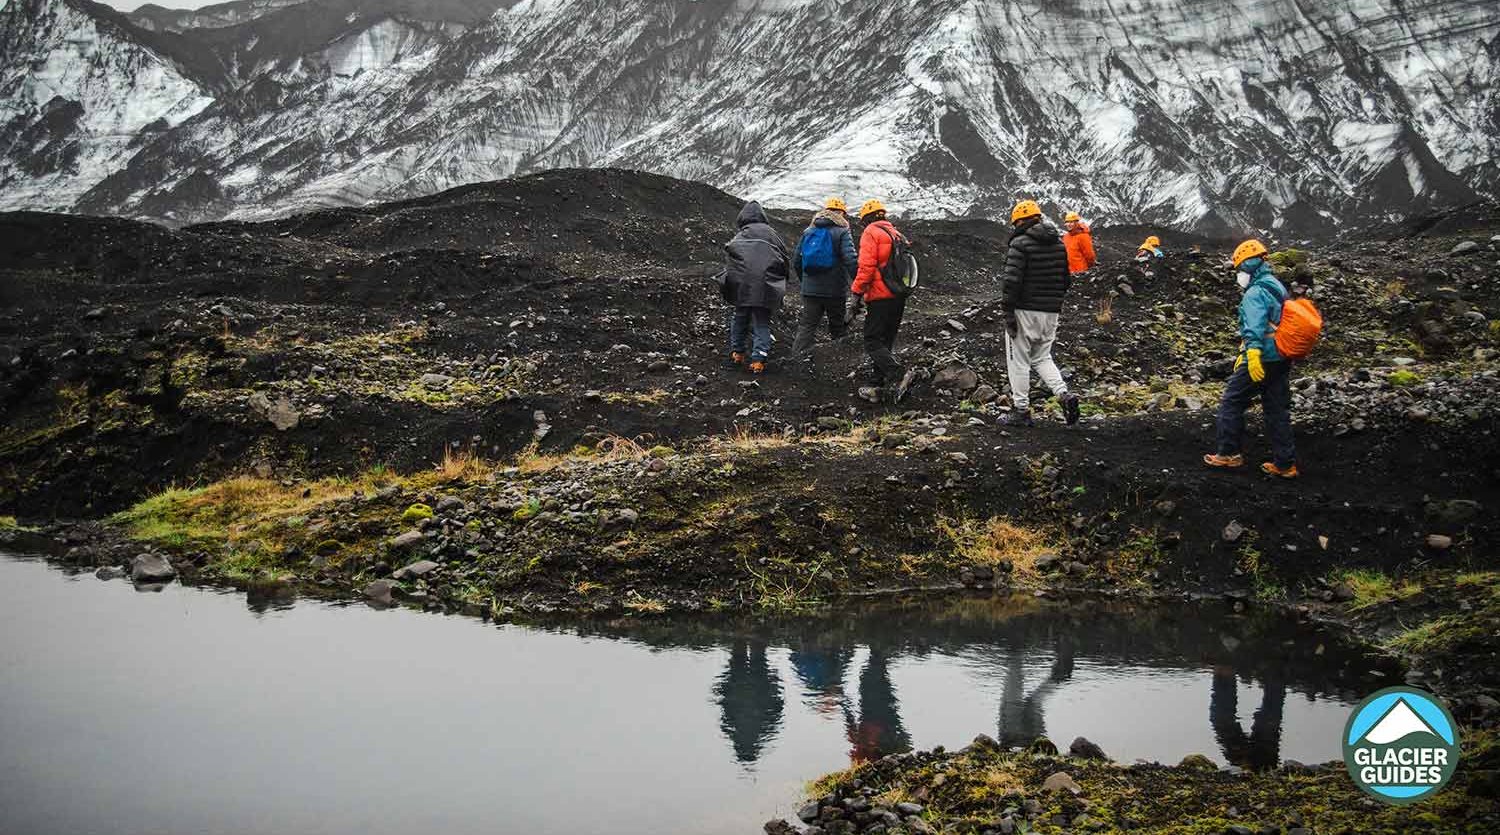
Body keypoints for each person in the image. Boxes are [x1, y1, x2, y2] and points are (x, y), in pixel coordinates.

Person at [1204, 239, 1298, 478]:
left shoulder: (1255, 292)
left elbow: (1254, 326)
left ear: (1248, 265)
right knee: (1276, 409)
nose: (1238, 274)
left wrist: (1252, 353)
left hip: (1262, 357)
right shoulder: (1276, 285)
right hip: (1281, 356)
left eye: (1239, 268)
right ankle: (1285, 464)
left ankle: (1228, 454)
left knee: (1232, 401)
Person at [999, 200, 1080, 427]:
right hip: (1051, 311)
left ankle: (1021, 411)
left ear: (1020, 221)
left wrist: (1008, 312)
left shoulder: (1020, 244)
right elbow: (1065, 280)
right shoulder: (1059, 244)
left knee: (1019, 362)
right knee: (1042, 357)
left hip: (1024, 310)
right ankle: (1064, 395)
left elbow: (1011, 281)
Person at [848, 199, 916, 400]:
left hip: (880, 296)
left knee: (871, 340)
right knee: (886, 340)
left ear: (866, 219)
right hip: (898, 295)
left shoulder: (871, 233)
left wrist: (856, 293)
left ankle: (898, 373)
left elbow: (866, 268)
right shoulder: (897, 234)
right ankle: (876, 384)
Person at [722, 201, 788, 374]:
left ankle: (737, 353)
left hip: (742, 285)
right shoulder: (772, 234)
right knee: (761, 321)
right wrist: (781, 279)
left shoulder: (741, 234)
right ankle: (758, 360)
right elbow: (784, 257)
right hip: (766, 286)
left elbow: (730, 254)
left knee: (740, 317)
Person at [791, 197, 859, 356]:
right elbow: (850, 259)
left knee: (807, 326)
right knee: (837, 327)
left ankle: (794, 362)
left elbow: (796, 261)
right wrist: (859, 282)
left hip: (810, 291)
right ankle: (838, 362)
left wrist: (805, 282)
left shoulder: (809, 231)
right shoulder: (842, 231)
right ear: (841, 213)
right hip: (834, 290)